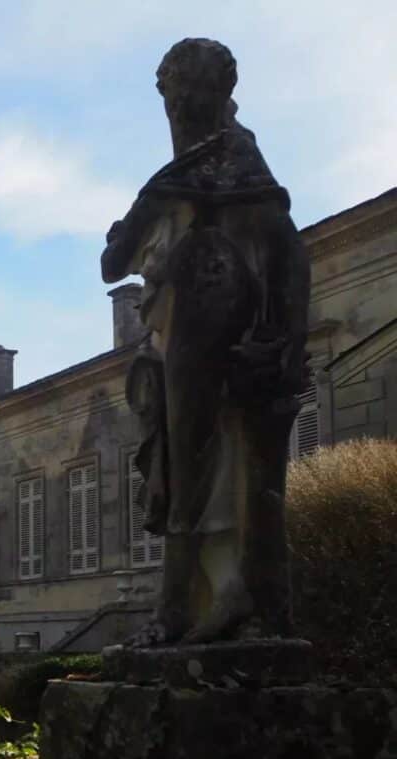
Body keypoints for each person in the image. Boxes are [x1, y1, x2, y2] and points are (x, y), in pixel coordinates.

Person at [102, 38, 310, 644]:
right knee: (193, 470)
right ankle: (208, 603)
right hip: (185, 343)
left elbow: (288, 254)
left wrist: (288, 340)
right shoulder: (192, 176)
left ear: (220, 92)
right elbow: (114, 264)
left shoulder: (227, 169)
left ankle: (198, 609)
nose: (178, 104)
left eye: (186, 89)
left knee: (219, 474)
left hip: (225, 342)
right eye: (172, 91)